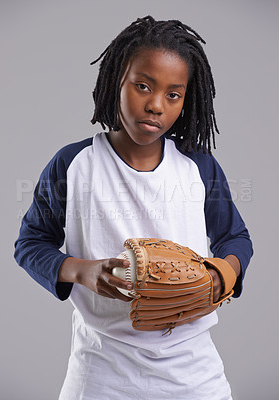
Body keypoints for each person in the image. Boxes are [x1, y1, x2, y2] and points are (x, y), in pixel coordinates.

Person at [14, 15, 253, 400]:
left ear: (186, 100)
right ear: (114, 82)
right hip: (101, 373)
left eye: (173, 94)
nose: (156, 105)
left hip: (192, 375)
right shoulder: (73, 164)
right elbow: (29, 244)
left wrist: (221, 275)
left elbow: (235, 237)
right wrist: (81, 271)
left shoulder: (198, 165)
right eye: (142, 86)